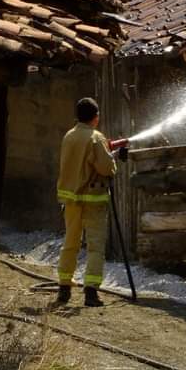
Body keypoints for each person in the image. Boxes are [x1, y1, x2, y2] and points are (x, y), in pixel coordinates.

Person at [56, 97, 125, 307]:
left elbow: (82, 161)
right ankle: (91, 292)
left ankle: (64, 289)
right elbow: (106, 168)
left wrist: (107, 148)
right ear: (96, 117)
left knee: (70, 243)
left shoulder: (69, 136)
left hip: (71, 200)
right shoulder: (96, 138)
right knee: (95, 246)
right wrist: (115, 158)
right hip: (93, 200)